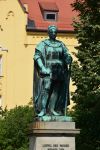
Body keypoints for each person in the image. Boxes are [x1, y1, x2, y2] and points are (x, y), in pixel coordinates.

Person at [33, 25, 72, 117]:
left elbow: (66, 54)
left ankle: (52, 109)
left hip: (59, 70)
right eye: (52, 32)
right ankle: (43, 110)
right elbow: (37, 56)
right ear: (48, 33)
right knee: (46, 89)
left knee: (56, 91)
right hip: (48, 69)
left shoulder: (61, 44)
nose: (54, 33)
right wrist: (42, 67)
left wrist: (68, 58)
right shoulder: (43, 44)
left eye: (55, 32)